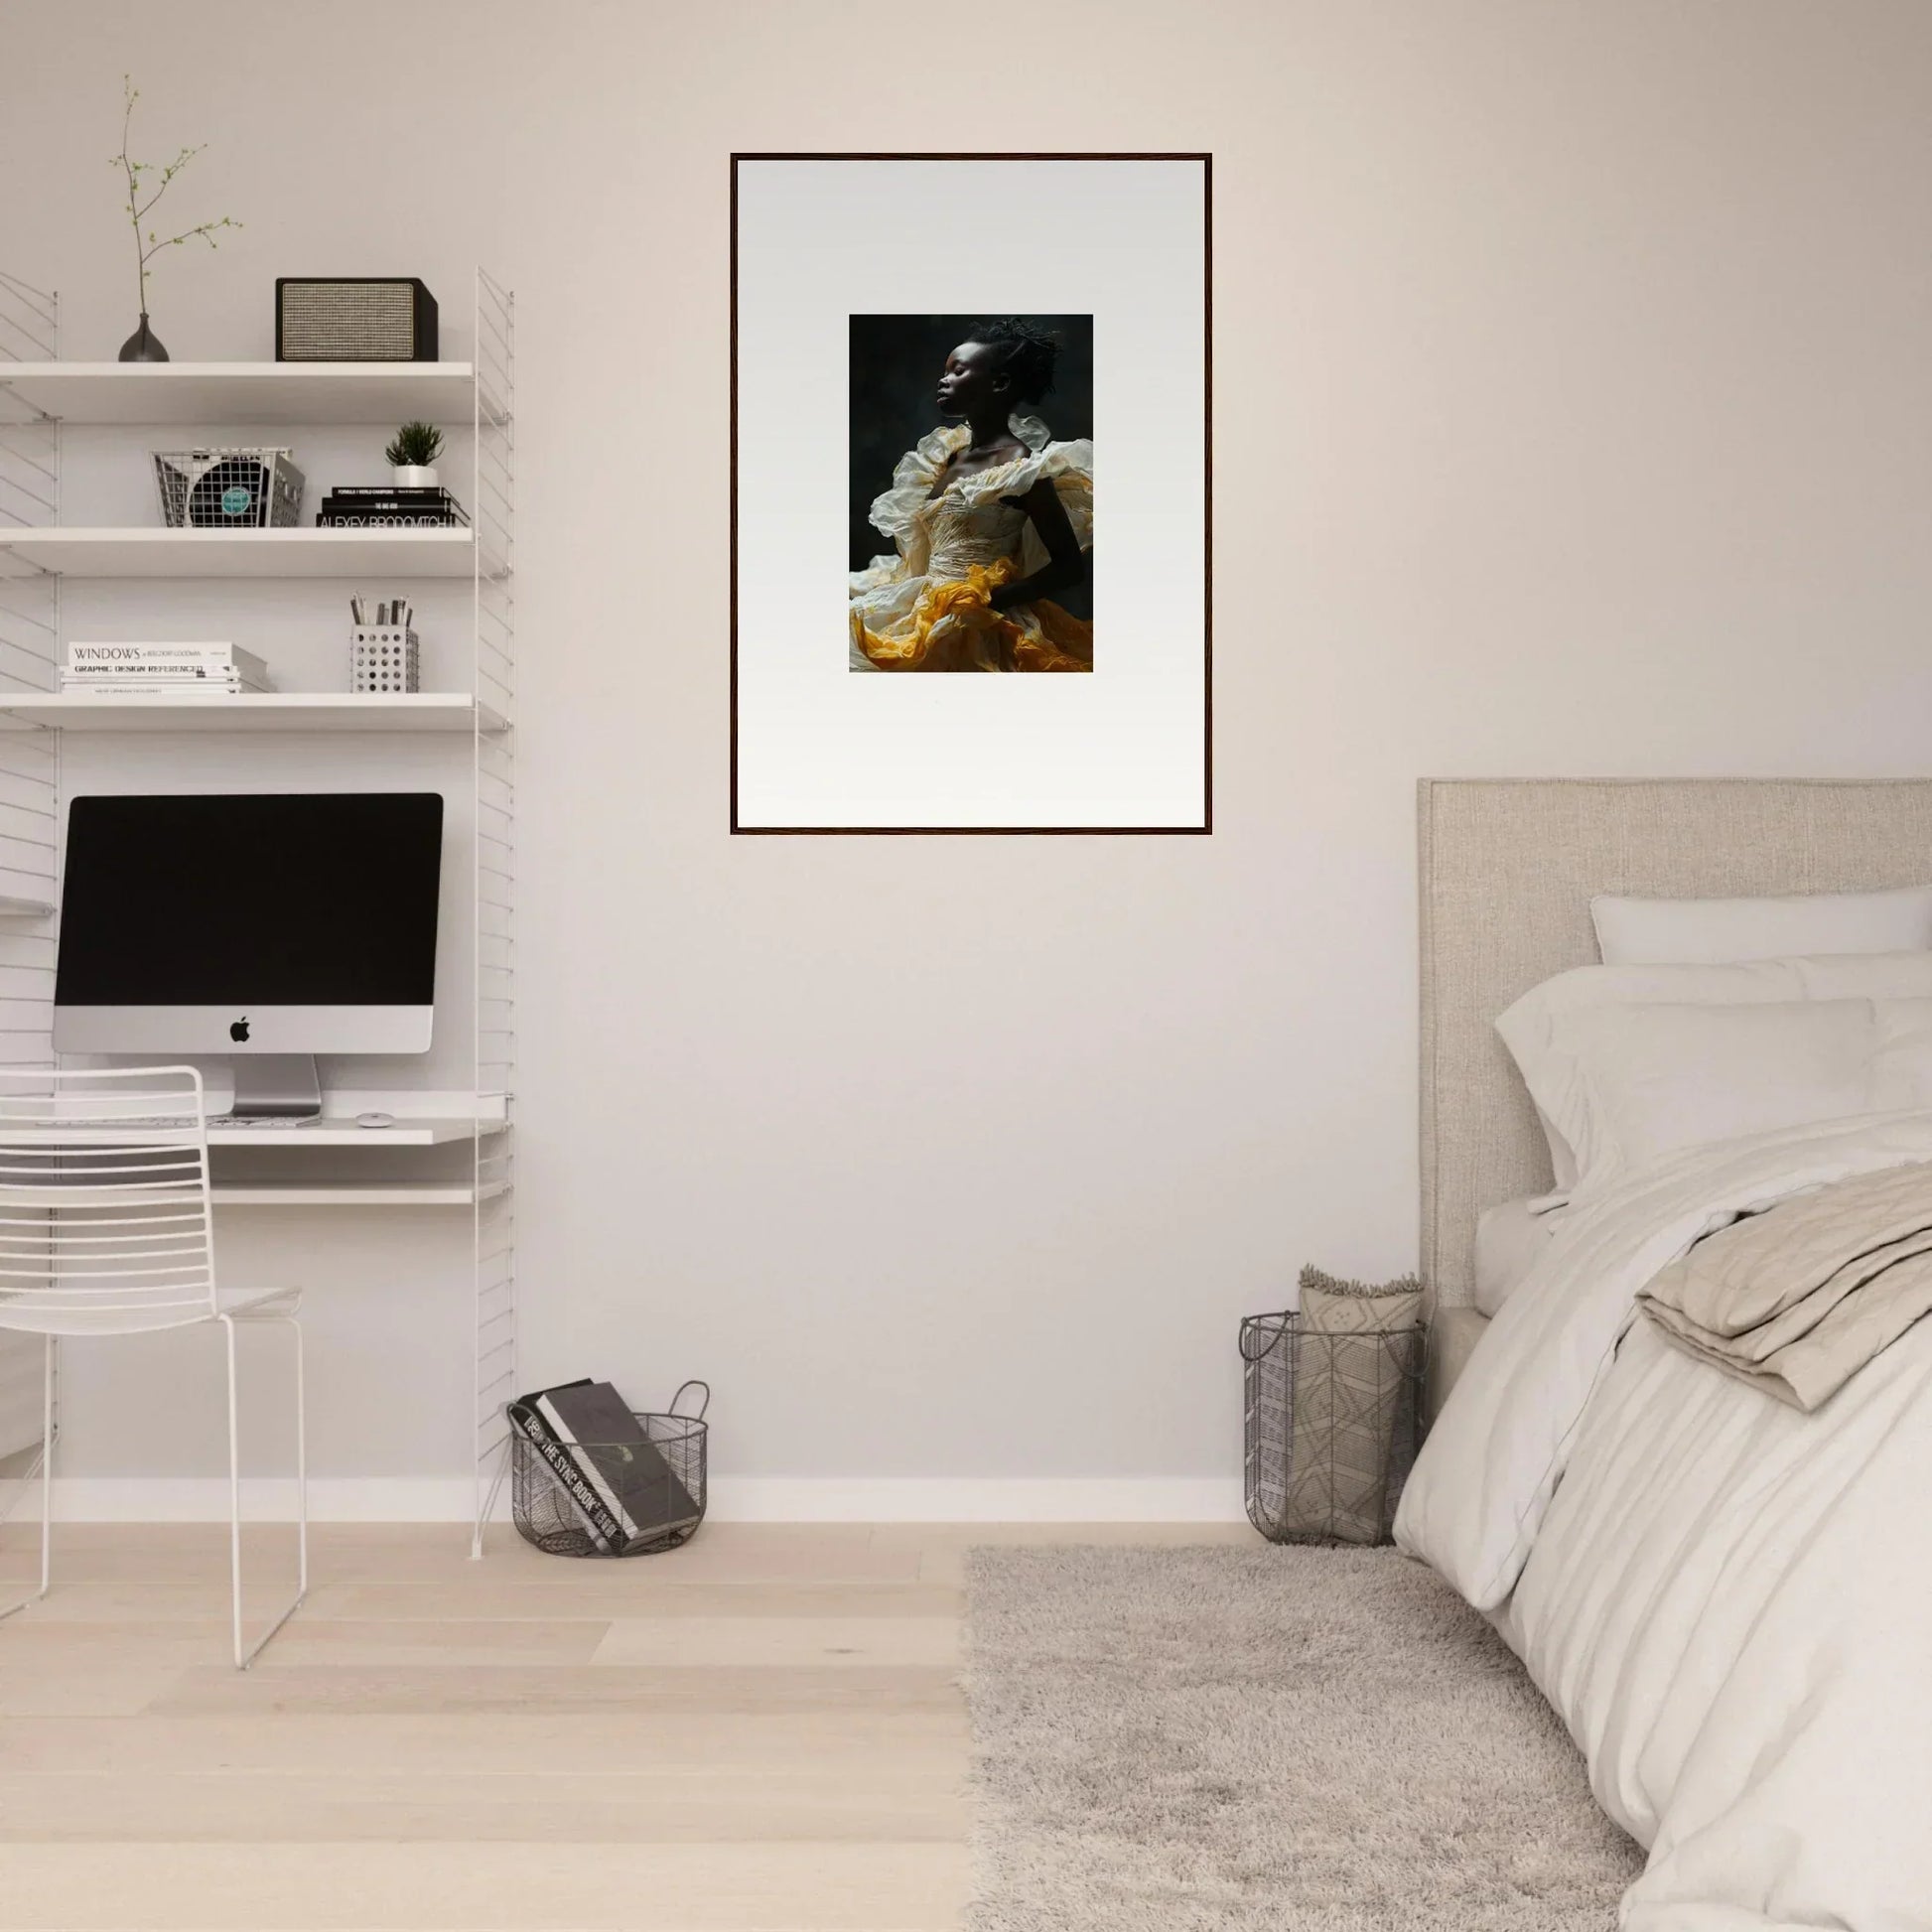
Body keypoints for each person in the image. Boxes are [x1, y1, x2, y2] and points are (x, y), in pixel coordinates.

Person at [849, 320, 1093, 672]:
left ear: (999, 383)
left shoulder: (1019, 465)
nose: (943, 379)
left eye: (958, 370)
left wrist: (983, 601)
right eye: (945, 370)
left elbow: (1069, 569)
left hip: (979, 624)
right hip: (928, 608)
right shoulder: (949, 456)